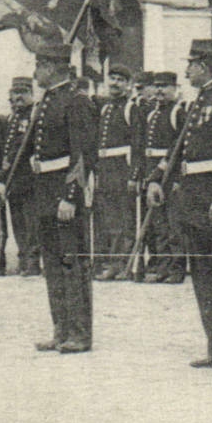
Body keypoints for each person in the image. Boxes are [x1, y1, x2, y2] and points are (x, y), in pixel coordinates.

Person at [145, 41, 212, 370]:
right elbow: (179, 150)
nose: (187, 69)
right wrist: (156, 179)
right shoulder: (200, 100)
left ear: (205, 66)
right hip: (192, 200)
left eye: (191, 63)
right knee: (204, 276)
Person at [24, 46, 97, 353]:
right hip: (44, 191)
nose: (35, 73)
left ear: (53, 67)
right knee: (53, 265)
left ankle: (79, 333)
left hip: (64, 193)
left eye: (39, 66)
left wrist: (70, 196)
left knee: (72, 263)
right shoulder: (47, 101)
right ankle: (61, 329)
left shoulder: (76, 102)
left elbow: (82, 153)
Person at [139, 72, 186, 284]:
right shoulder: (152, 114)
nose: (160, 91)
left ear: (175, 88)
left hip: (171, 174)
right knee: (158, 224)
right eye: (157, 86)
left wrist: (175, 178)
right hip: (154, 173)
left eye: (165, 86)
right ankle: (163, 266)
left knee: (174, 224)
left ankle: (176, 269)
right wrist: (149, 178)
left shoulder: (178, 112)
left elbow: (180, 148)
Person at [92, 65, 136, 281]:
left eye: (120, 79)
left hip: (122, 168)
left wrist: (133, 174)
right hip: (106, 168)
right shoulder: (106, 108)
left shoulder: (130, 107)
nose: (115, 83)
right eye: (112, 79)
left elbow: (137, 143)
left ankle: (122, 264)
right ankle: (111, 261)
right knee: (108, 219)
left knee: (123, 219)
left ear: (128, 85)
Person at [0, 77, 38, 276]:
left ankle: (33, 261)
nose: (18, 96)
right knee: (17, 220)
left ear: (31, 94)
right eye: (15, 92)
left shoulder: (34, 116)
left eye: (23, 92)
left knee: (31, 221)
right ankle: (23, 257)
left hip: (30, 178)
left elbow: (22, 147)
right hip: (13, 179)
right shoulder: (12, 118)